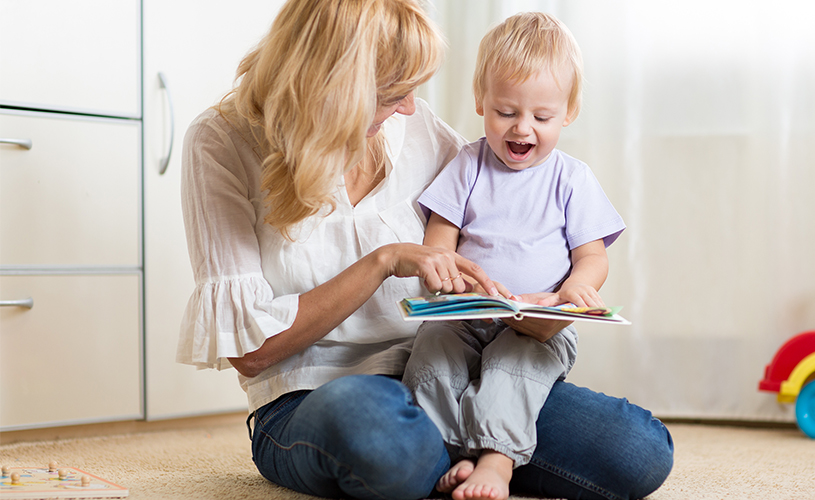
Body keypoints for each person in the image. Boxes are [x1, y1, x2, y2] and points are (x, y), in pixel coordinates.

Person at [177, 0, 674, 499]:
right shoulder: (222, 142)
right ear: (335, 86)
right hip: (316, 393)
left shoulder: (415, 127)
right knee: (376, 424)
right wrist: (384, 261)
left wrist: (549, 300)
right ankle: (470, 448)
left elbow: (507, 199)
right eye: (394, 93)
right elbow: (252, 353)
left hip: (449, 371)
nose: (410, 107)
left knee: (638, 449)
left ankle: (472, 452)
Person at [402, 12, 626, 500]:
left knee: (511, 368)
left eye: (541, 117)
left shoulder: (572, 179)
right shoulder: (468, 164)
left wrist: (574, 288)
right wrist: (444, 274)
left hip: (535, 323)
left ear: (568, 111)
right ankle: (448, 454)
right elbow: (441, 236)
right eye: (505, 112)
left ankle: (497, 462)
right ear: (481, 101)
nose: (522, 128)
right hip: (466, 314)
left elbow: (592, 256)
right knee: (430, 356)